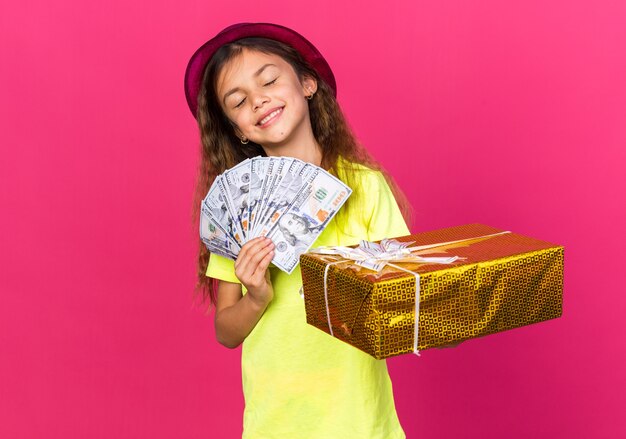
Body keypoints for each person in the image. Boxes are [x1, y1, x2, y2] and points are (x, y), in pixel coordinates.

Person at [185, 22, 412, 438]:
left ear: (307, 83)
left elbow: (400, 297)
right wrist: (256, 298)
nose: (259, 100)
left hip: (360, 419)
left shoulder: (364, 186)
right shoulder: (237, 210)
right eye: (238, 101)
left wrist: (434, 319)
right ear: (237, 130)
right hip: (276, 424)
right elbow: (225, 331)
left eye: (269, 80)